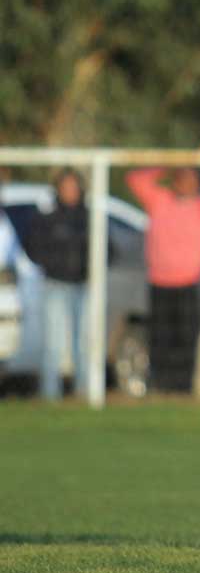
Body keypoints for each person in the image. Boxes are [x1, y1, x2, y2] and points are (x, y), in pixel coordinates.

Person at [127, 139, 200, 391]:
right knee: (160, 337)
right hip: (159, 282)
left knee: (186, 338)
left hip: (188, 282)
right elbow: (135, 180)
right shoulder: (159, 200)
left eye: (190, 177)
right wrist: (168, 163)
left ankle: (183, 386)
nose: (185, 181)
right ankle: (160, 384)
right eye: (181, 177)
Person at [27, 169, 91, 400]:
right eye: (66, 187)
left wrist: (87, 268)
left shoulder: (88, 219)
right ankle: (50, 394)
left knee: (84, 342)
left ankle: (85, 393)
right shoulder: (48, 219)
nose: (70, 192)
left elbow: (107, 249)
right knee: (52, 343)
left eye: (74, 186)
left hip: (83, 285)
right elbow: (32, 246)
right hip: (55, 284)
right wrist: (52, 264)